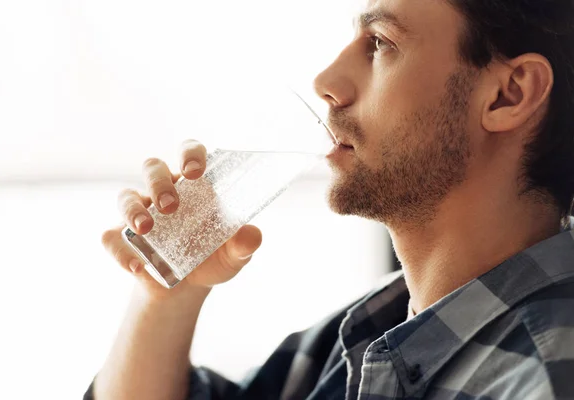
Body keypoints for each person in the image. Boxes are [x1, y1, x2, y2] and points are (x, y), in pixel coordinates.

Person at [85, 0, 574, 398]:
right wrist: (168, 294)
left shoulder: (545, 379)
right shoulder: (363, 334)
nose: (326, 82)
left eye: (380, 43)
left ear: (508, 95)